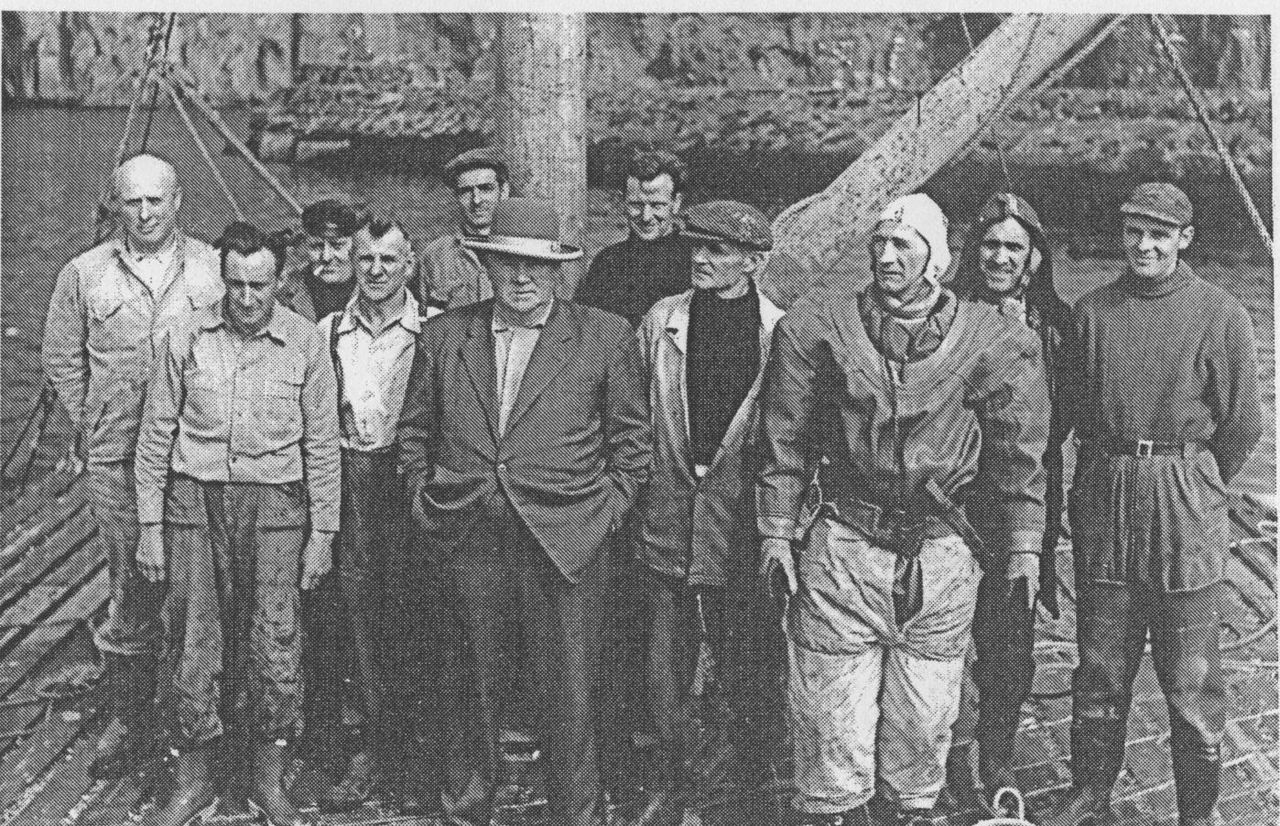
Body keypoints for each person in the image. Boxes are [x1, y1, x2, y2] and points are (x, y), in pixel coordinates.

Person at [756, 193, 1050, 826]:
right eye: (879, 244)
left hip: (940, 554)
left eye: (902, 246)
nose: (886, 257)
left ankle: (912, 811)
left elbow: (1020, 456)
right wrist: (777, 532)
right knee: (832, 722)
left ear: (935, 259)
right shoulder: (817, 327)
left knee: (925, 719)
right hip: (845, 545)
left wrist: (1025, 546)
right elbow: (784, 441)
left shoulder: (997, 338)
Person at [398, 197, 652, 826]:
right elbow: (415, 432)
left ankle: (576, 814)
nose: (521, 277)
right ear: (486, 265)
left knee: (569, 693)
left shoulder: (604, 336)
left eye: (536, 265)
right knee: (469, 686)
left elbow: (633, 444)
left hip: (565, 539)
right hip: (469, 533)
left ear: (558, 270)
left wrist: (603, 515)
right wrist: (425, 500)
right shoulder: (445, 335)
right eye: (507, 263)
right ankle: (467, 808)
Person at [1042, 184, 1263, 826]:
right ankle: (1091, 795)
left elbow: (1242, 426)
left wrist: (1191, 482)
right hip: (1106, 495)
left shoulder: (1221, 314)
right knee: (1100, 672)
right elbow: (1070, 415)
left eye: (1159, 234)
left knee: (1192, 684)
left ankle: (1196, 813)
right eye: (1134, 231)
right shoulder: (1093, 312)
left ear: (1184, 239)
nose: (1144, 245)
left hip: (1184, 504)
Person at [134, 222, 341, 826]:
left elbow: (323, 447)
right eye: (236, 284)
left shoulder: (306, 343)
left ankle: (268, 782)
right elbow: (155, 434)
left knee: (274, 637)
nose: (247, 298)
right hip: (193, 503)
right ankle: (193, 781)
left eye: (259, 285)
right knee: (192, 638)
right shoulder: (184, 335)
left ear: (280, 280)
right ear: (222, 279)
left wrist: (323, 534)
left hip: (276, 506)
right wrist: (150, 527)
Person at [41, 153, 223, 780]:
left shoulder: (212, 268)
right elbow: (62, 357)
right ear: (115, 205)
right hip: (117, 459)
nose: (144, 214)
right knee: (131, 585)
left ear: (178, 202)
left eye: (156, 200)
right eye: (132, 201)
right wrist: (92, 419)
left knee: (199, 585)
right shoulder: (84, 274)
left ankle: (195, 718)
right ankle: (131, 720)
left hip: (193, 458)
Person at [633, 201, 783, 804]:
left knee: (746, 660)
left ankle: (745, 788)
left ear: (753, 262)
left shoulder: (779, 333)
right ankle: (673, 782)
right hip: (667, 515)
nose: (699, 258)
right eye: (695, 246)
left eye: (716, 250)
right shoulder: (662, 321)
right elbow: (635, 416)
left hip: (740, 523)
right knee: (662, 664)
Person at [314, 217, 441, 814]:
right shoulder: (329, 331)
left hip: (409, 479)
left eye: (389, 259)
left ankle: (418, 757)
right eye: (366, 258)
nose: (377, 270)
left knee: (415, 613)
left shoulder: (436, 329)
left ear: (409, 265)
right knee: (357, 613)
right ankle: (372, 751)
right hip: (351, 477)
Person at [949, 193, 1073, 803]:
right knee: (944, 635)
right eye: (989, 244)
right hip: (954, 497)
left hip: (1022, 497)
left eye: (1013, 247)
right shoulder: (943, 311)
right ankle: (948, 760)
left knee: (1009, 643)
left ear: (1033, 258)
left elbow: (1070, 413)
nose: (999, 257)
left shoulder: (1056, 325)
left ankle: (996, 759)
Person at [573, 149, 695, 326]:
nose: (646, 216)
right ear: (623, 201)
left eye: (657, 205)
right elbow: (586, 328)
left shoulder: (696, 261)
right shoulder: (607, 262)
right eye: (636, 205)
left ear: (676, 203)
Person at [418, 147, 510, 310]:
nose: (476, 200)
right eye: (466, 191)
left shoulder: (522, 251)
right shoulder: (436, 255)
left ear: (503, 191)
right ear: (456, 197)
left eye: (485, 188)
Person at [279, 198, 363, 322]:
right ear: (306, 245)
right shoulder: (286, 293)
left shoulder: (372, 289)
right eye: (316, 246)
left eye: (337, 246)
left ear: (353, 245)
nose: (326, 257)